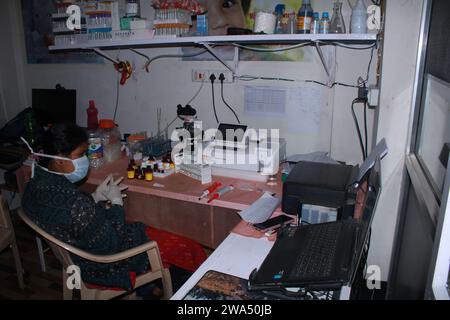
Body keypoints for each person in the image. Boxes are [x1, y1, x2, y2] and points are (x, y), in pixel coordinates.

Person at [22, 123, 207, 292]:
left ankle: (155, 287)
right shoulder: (74, 204)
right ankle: (190, 295)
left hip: (77, 253)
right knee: (185, 246)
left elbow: (67, 217)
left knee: (154, 232)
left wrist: (93, 198)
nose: (85, 160)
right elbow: (111, 245)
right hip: (99, 264)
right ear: (59, 159)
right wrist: (117, 205)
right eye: (80, 155)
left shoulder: (33, 187)